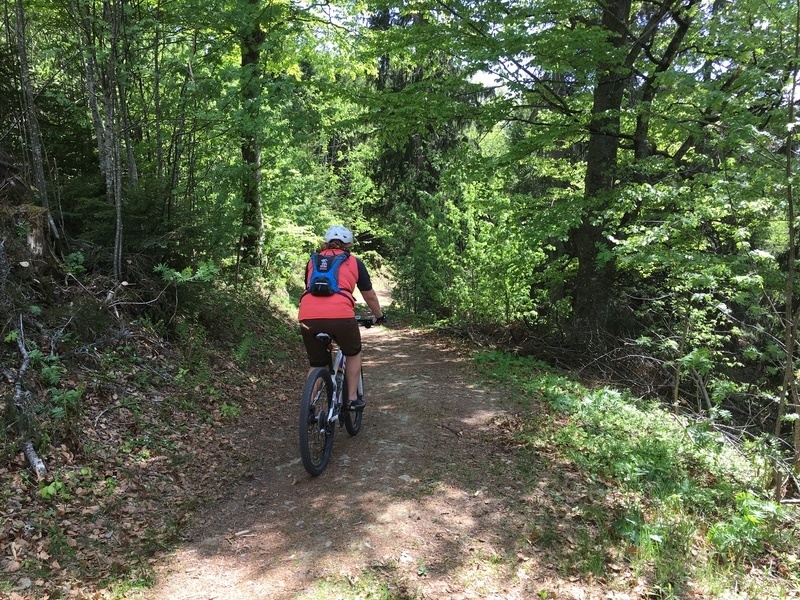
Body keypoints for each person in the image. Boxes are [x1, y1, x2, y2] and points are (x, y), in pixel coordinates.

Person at [298, 225, 385, 410]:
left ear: (326, 242)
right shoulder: (354, 262)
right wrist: (379, 316)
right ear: (348, 244)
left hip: (307, 316)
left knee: (317, 363)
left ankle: (309, 405)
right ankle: (352, 399)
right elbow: (369, 295)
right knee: (353, 353)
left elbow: (309, 287)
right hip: (341, 316)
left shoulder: (312, 261)